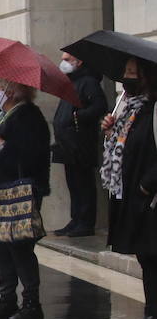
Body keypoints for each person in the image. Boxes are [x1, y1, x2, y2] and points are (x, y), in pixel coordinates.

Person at [0, 81, 51, 319]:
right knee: (0, 247)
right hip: (0, 190)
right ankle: (6, 299)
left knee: (20, 247)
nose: (0, 90)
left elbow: (27, 157)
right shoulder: (2, 114)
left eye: (5, 85)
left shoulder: (29, 115)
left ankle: (31, 303)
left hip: (21, 191)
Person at [104, 57, 157, 319]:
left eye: (131, 73)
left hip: (149, 198)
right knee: (147, 259)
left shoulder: (153, 110)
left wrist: (146, 185)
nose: (126, 78)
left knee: (153, 257)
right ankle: (151, 317)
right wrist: (113, 132)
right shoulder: (135, 109)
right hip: (136, 199)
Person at [51, 51, 109, 237]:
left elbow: (99, 106)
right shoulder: (71, 82)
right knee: (73, 183)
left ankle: (85, 222)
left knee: (83, 183)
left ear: (79, 60)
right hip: (67, 143)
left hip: (80, 142)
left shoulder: (88, 82)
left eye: (67, 59)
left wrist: (77, 117)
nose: (63, 63)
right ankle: (76, 219)